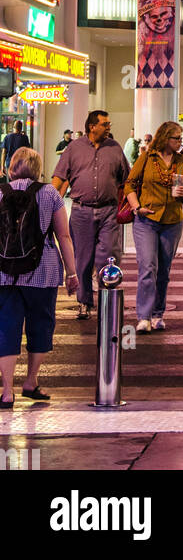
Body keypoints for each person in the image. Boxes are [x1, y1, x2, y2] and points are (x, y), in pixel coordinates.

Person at [0, 147, 78, 406]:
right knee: (40, 325)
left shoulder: (0, 192)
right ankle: (31, 382)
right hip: (42, 272)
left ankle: (7, 391)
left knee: (6, 328)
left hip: (4, 273)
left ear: (12, 167)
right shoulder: (50, 193)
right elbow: (63, 236)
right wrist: (72, 272)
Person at [51, 111, 129, 320]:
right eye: (105, 124)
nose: (108, 127)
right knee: (83, 260)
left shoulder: (115, 148)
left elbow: (126, 179)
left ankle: (107, 301)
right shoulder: (74, 148)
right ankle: (84, 302)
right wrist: (46, 203)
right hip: (81, 211)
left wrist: (132, 204)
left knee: (109, 257)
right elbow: (59, 177)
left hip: (109, 212)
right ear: (92, 126)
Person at [123, 121, 183, 332]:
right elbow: (129, 183)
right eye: (176, 139)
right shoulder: (147, 158)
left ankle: (157, 314)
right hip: (146, 220)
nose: (180, 143)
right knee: (147, 267)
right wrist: (137, 207)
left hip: (172, 221)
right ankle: (143, 316)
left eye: (181, 139)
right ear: (165, 139)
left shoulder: (182, 161)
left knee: (164, 270)